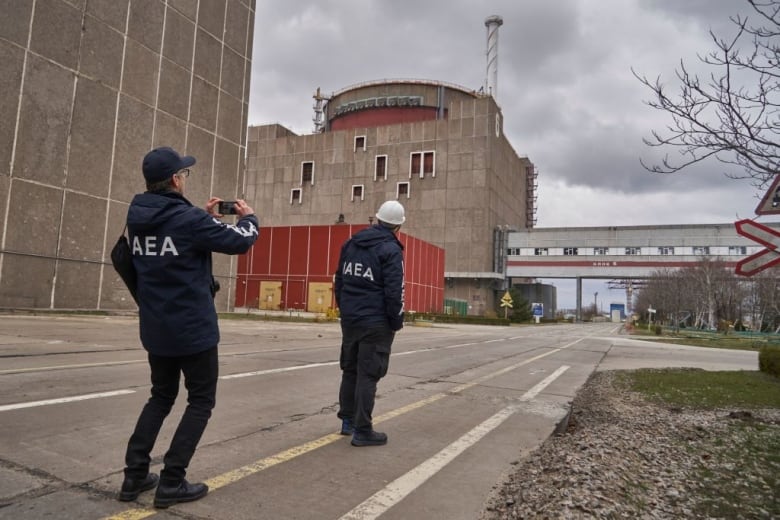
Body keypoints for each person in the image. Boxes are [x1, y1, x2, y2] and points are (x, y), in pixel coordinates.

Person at [118, 146, 259, 508]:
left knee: (161, 397)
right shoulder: (189, 220)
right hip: (193, 329)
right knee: (200, 400)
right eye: (185, 174)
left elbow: (124, 257)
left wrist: (203, 218)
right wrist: (249, 218)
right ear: (176, 180)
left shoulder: (136, 218)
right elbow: (241, 242)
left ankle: (134, 475)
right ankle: (172, 481)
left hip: (156, 328)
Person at [335, 200, 405, 447]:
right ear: (398, 227)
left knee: (350, 369)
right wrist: (396, 321)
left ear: (377, 220)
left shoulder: (351, 243)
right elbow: (395, 291)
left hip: (351, 319)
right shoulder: (391, 250)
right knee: (368, 374)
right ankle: (363, 430)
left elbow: (339, 280)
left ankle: (347, 421)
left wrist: (345, 310)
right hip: (376, 322)